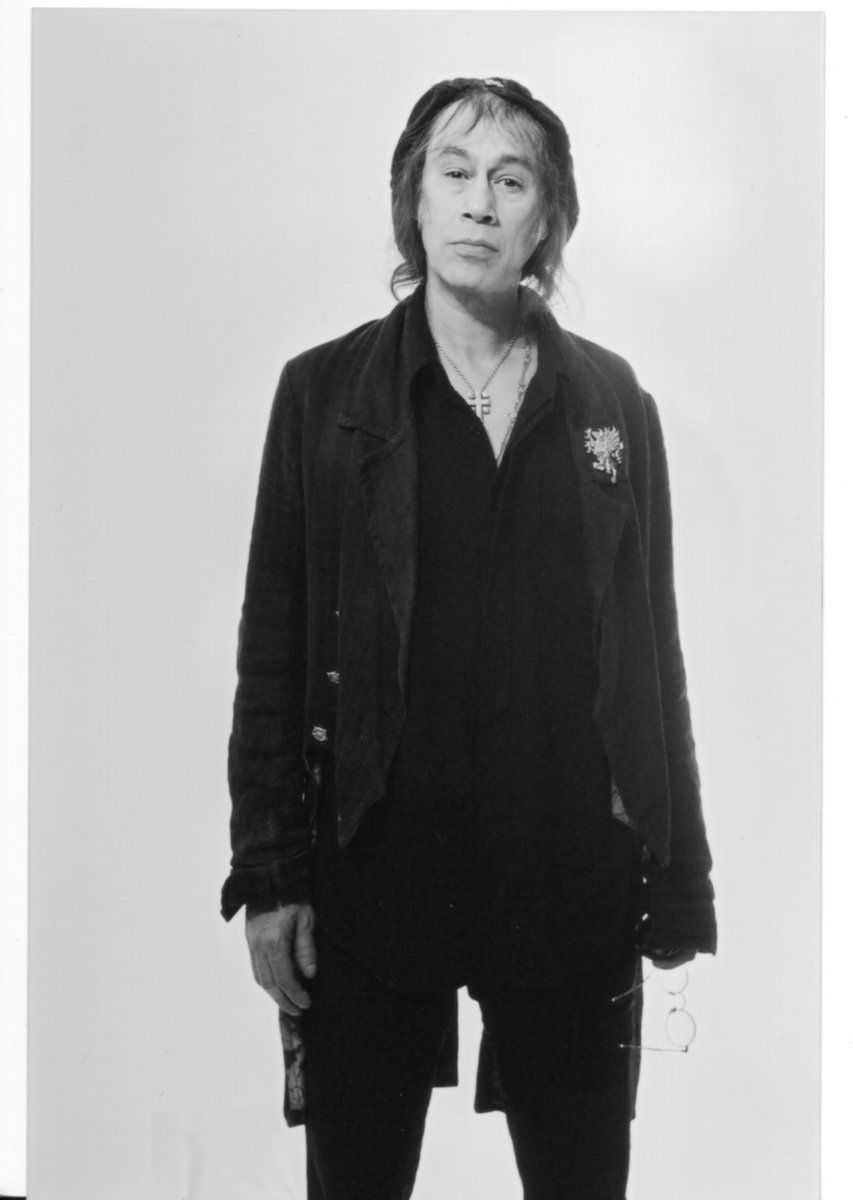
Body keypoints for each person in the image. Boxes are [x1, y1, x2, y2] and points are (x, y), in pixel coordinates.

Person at [221, 76, 716, 1200]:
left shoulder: (610, 403)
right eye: (453, 173)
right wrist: (270, 873)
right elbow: (272, 651)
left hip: (569, 869)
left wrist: (679, 874)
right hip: (372, 861)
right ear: (414, 198)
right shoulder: (324, 395)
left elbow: (653, 651)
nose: (479, 203)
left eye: (511, 179)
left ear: (549, 219)